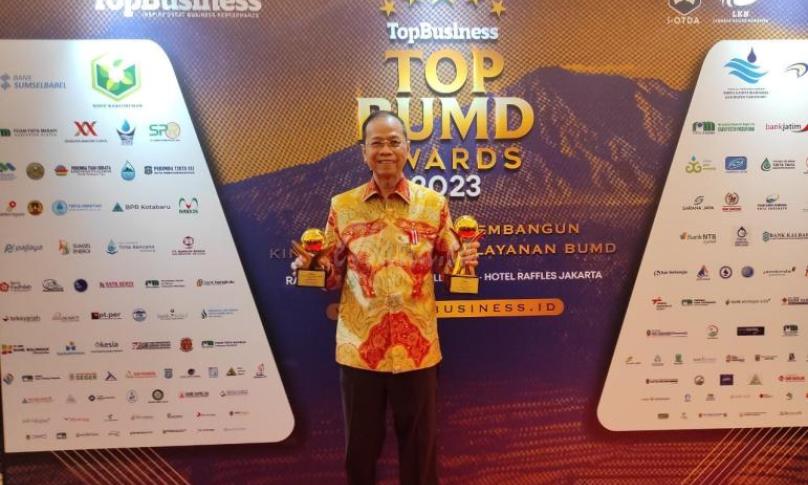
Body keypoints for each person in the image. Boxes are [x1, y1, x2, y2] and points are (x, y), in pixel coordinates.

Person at [292, 110, 479, 485]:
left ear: (407, 148)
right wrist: (310, 265)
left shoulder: (433, 205)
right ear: (364, 152)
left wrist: (464, 261)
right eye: (376, 143)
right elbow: (333, 274)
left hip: (418, 350)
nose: (386, 150)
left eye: (394, 142)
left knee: (420, 453)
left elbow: (447, 267)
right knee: (360, 456)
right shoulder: (342, 206)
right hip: (360, 351)